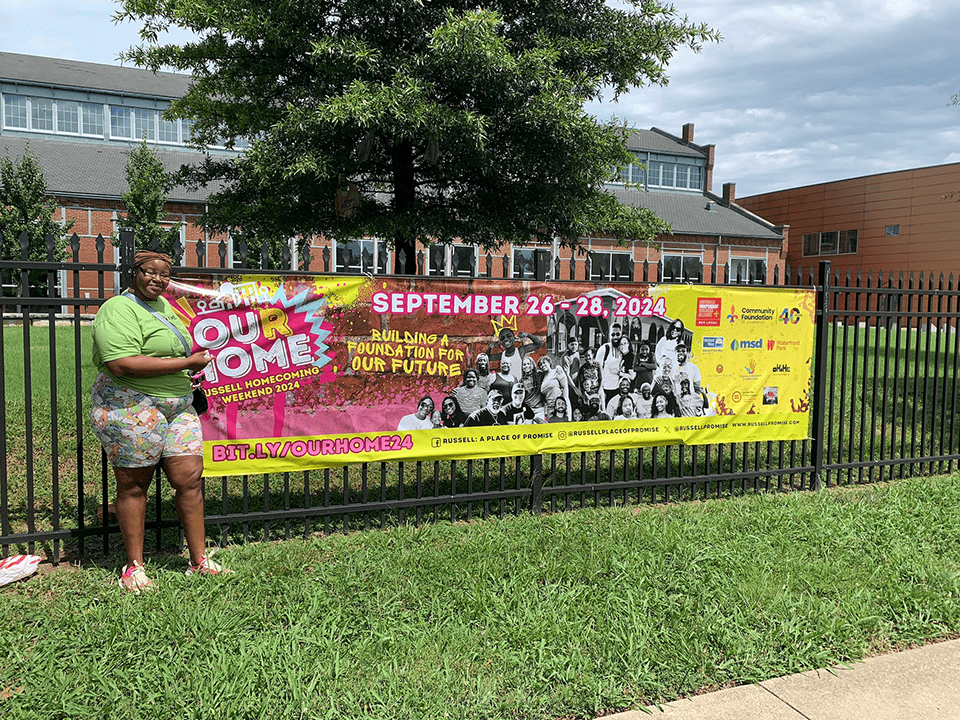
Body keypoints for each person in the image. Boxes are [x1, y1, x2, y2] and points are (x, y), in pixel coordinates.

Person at [91, 250, 228, 593]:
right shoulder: (118, 309)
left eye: (164, 275)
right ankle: (134, 567)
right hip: (132, 404)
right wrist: (187, 364)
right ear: (134, 273)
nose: (157, 279)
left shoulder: (164, 307)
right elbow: (120, 363)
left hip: (178, 405)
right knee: (134, 485)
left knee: (189, 479)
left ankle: (199, 561)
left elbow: (174, 352)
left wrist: (188, 367)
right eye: (149, 272)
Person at [594, 323, 625, 405]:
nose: (615, 337)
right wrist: (600, 391)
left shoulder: (623, 351)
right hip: (605, 391)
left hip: (618, 390)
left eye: (618, 334)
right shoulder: (604, 349)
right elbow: (595, 371)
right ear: (609, 335)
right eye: (613, 334)